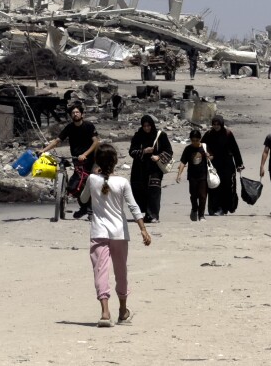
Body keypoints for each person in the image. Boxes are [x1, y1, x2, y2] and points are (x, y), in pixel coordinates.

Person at [80, 143, 152, 327]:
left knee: (100, 270)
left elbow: (82, 199)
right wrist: (143, 229)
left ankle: (105, 312)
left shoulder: (92, 179)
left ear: (98, 162)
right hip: (119, 233)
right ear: (115, 162)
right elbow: (133, 206)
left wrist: (94, 174)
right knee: (121, 271)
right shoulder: (122, 182)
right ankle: (122, 311)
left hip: (99, 232)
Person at [40, 103, 100, 219]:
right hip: (77, 160)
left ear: (82, 114)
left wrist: (85, 154)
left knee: (91, 183)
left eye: (77, 112)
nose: (75, 114)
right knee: (75, 187)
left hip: (91, 159)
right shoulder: (69, 127)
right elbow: (57, 141)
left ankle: (90, 211)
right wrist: (43, 150)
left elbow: (95, 142)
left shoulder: (89, 126)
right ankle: (83, 208)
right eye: (73, 113)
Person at [128, 115, 173, 223]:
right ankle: (146, 214)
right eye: (144, 126)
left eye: (148, 126)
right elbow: (132, 151)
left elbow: (169, 151)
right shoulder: (138, 136)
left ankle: (154, 215)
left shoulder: (161, 135)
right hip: (140, 170)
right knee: (140, 191)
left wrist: (159, 156)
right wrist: (144, 151)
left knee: (154, 191)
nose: (147, 128)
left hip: (155, 169)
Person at [201, 115, 244, 216]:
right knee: (214, 185)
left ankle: (224, 208)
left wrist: (239, 164)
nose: (216, 126)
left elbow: (235, 149)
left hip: (227, 164)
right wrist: (206, 154)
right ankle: (214, 208)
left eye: (218, 124)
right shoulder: (209, 134)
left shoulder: (228, 134)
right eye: (214, 124)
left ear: (221, 124)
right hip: (214, 164)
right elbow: (202, 146)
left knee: (226, 186)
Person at [175, 129, 208, 222]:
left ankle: (201, 215)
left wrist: (209, 156)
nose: (195, 142)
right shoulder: (188, 149)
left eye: (196, 140)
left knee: (203, 196)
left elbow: (211, 158)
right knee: (193, 195)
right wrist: (179, 175)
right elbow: (182, 162)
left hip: (203, 176)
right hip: (192, 176)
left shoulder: (204, 148)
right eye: (193, 140)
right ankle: (194, 208)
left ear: (200, 139)